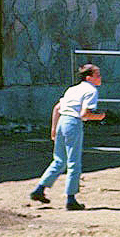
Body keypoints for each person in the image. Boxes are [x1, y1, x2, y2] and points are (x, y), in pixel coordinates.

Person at [30, 63, 105, 211]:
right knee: (73, 162)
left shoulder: (73, 89)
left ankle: (40, 189)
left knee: (59, 160)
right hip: (73, 123)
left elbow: (57, 108)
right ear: (89, 77)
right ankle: (71, 199)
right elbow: (84, 114)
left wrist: (53, 128)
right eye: (97, 75)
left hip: (62, 122)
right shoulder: (91, 90)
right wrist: (99, 117)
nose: (100, 78)